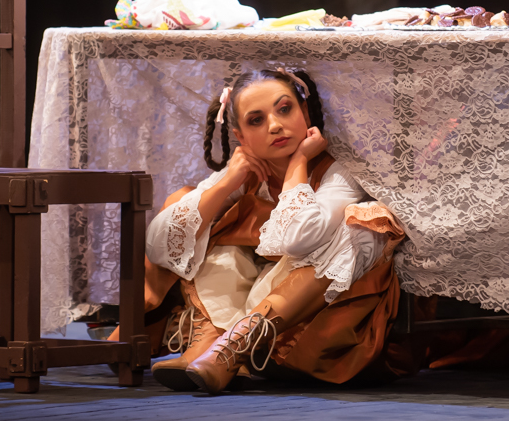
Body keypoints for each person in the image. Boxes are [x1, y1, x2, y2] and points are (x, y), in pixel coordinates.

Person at [140, 68, 404, 394]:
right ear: (240, 137)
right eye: (256, 120)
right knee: (198, 220)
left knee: (364, 224)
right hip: (255, 299)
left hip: (315, 322)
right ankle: (211, 342)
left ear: (304, 111)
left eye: (284, 109)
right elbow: (160, 246)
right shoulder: (249, 172)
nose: (275, 125)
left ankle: (233, 347)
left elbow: (298, 239)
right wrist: (227, 182)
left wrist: (298, 163)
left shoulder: (338, 172)